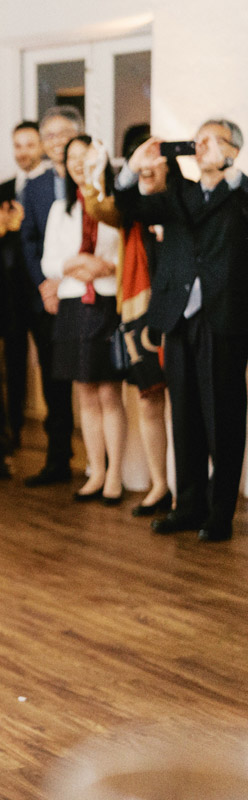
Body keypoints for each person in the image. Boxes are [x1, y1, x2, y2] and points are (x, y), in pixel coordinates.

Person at [118, 119, 248, 542]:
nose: (201, 145)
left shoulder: (243, 196)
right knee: (186, 418)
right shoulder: (180, 195)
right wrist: (132, 169)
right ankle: (187, 506)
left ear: (233, 151)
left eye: (211, 140)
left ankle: (219, 513)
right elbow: (128, 207)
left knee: (222, 418)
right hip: (177, 319)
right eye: (199, 138)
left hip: (224, 320)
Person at [43, 136, 125, 503]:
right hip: (74, 304)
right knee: (85, 394)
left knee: (109, 392)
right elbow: (49, 263)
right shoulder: (61, 209)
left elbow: (131, 255)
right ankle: (96, 470)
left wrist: (106, 266)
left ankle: (116, 476)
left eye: (84, 156)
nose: (77, 163)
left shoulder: (115, 205)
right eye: (71, 157)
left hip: (106, 301)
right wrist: (76, 264)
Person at [21, 106, 84, 487]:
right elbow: (29, 240)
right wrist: (46, 284)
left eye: (64, 134)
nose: (56, 142)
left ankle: (102, 460)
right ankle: (58, 459)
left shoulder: (91, 181)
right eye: (50, 136)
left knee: (93, 380)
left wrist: (66, 281)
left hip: (85, 292)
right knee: (53, 382)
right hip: (46, 298)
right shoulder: (36, 185)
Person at [113, 131, 172, 517]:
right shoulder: (131, 209)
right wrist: (131, 171)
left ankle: (191, 488)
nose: (147, 166)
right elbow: (117, 201)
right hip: (140, 314)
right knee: (149, 399)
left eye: (154, 158)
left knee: (188, 405)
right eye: (139, 160)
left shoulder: (185, 201)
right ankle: (159, 484)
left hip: (181, 315)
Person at [0, 121, 48, 478]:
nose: (23, 151)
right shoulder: (3, 189)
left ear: (39, 146)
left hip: (40, 291)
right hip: (8, 297)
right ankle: (8, 441)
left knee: (51, 370)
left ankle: (56, 448)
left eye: (29, 144)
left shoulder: (49, 185)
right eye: (18, 145)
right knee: (9, 369)